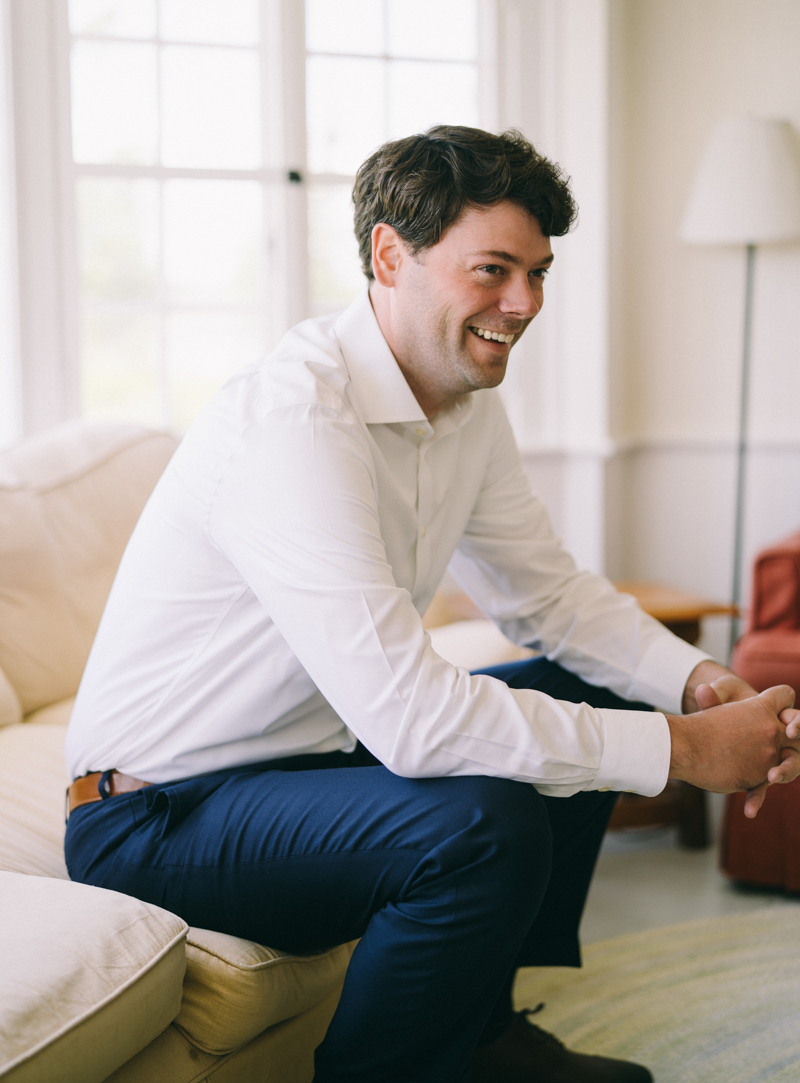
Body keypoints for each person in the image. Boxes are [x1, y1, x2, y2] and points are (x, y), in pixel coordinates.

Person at [64, 126, 800, 1083]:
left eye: (538, 272)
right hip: (157, 816)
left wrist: (696, 684)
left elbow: (552, 597)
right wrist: (685, 754)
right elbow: (410, 721)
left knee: (595, 689)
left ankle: (482, 1034)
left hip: (303, 768)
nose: (525, 303)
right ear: (388, 253)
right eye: (493, 269)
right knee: (478, 828)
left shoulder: (465, 402)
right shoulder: (294, 419)